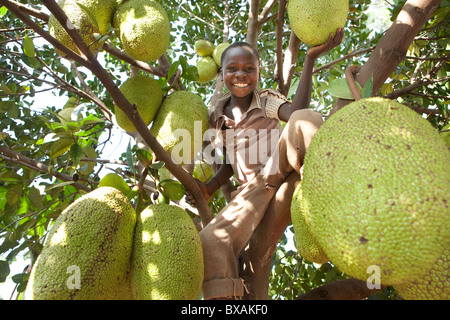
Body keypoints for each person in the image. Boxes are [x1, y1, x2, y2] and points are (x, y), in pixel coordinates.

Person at [187, 29, 344, 300]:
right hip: (249, 193)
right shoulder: (216, 116)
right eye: (232, 68)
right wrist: (209, 187)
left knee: (306, 117)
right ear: (221, 74)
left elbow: (295, 115)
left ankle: (326, 182)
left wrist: (308, 60)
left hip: (278, 167)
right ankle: (228, 300)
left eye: (249, 68)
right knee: (210, 241)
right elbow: (228, 164)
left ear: (258, 73)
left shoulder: (266, 99)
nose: (241, 74)